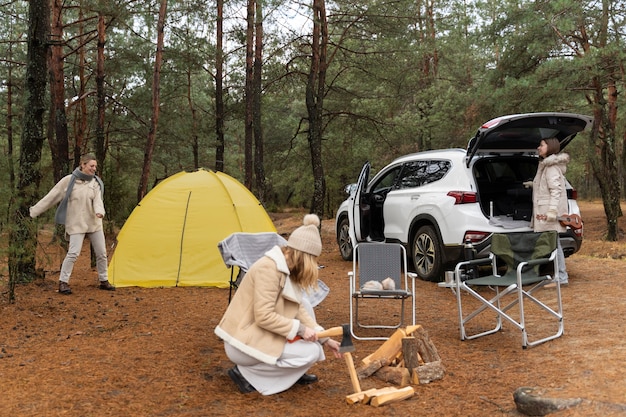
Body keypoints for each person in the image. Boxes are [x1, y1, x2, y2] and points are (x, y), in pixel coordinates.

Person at [214, 214, 342, 395]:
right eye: (313, 260)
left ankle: (292, 374)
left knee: (305, 306)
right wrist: (301, 330)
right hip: (241, 343)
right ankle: (244, 373)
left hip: (258, 335)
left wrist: (324, 338)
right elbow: (264, 316)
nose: (314, 265)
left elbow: (298, 309)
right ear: (304, 256)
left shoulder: (288, 269)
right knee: (310, 353)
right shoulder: (269, 269)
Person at [30, 154, 115, 294]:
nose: (94, 169)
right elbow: (52, 196)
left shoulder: (95, 183)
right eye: (91, 166)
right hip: (76, 223)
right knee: (73, 253)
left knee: (102, 253)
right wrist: (34, 211)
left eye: (95, 166)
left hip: (94, 222)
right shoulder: (69, 181)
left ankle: (103, 280)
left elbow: (98, 200)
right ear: (83, 165)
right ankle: (63, 282)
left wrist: (100, 212)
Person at [530, 137, 570, 285]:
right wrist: (533, 185)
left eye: (541, 145)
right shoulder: (546, 166)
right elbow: (547, 186)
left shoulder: (551, 168)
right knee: (554, 244)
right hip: (546, 211)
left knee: (554, 244)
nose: (539, 147)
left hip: (548, 213)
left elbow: (556, 191)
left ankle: (561, 277)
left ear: (550, 147)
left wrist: (552, 211)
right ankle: (560, 276)